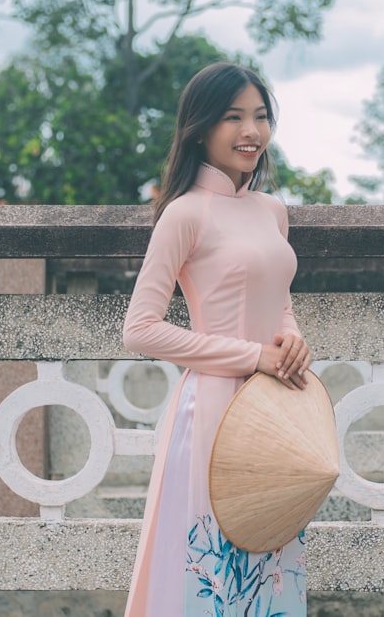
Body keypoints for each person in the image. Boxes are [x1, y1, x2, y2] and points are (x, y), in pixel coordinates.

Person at [122, 61, 312, 616]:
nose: (251, 131)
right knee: (213, 570)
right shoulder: (185, 214)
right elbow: (140, 328)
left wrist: (292, 340)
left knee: (270, 559)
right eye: (234, 117)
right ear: (201, 128)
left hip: (274, 406)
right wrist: (254, 356)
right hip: (211, 410)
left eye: (260, 116)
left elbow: (280, 302)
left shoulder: (273, 211)